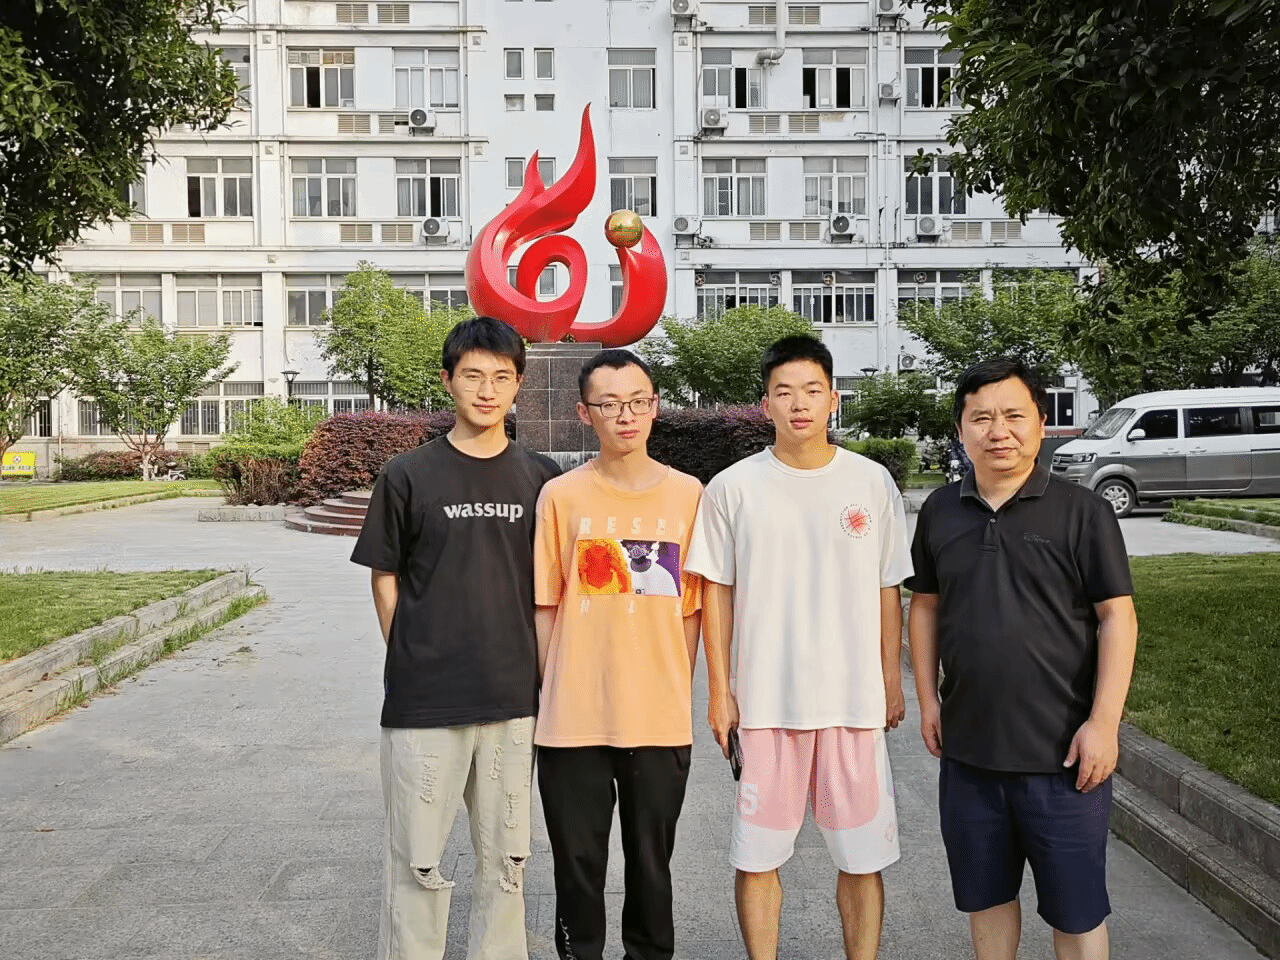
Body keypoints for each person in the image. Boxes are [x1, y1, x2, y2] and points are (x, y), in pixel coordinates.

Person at [685, 335, 913, 960]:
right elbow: (717, 593)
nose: (799, 404)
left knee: (862, 860)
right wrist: (720, 693)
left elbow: (888, 588)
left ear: (834, 399)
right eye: (783, 393)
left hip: (851, 705)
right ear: (765, 405)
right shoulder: (733, 487)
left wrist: (891, 682)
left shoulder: (870, 482)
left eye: (812, 390)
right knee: (757, 858)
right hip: (767, 706)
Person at [906, 358, 1139, 960]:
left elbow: (1117, 617)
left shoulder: (1082, 511)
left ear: (1040, 422)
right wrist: (927, 700)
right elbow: (925, 606)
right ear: (961, 430)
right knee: (986, 902)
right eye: (981, 418)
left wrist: (1104, 723)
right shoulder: (940, 510)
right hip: (970, 757)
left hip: (1064, 758)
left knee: (1077, 911)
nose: (998, 431)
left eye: (1013, 415)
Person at [350, 316, 560, 960]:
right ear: (448, 381)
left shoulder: (542, 476)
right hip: (426, 701)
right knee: (416, 859)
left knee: (507, 860)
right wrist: (411, 654)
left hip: (512, 697)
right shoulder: (407, 474)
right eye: (472, 375)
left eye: (501, 376)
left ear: (519, 384)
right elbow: (384, 576)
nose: (486, 390)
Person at [533, 348, 704, 960]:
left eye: (637, 402)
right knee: (577, 867)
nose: (625, 415)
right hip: (573, 720)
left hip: (658, 718)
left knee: (652, 865)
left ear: (655, 406)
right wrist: (556, 689)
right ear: (585, 413)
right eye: (608, 405)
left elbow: (692, 609)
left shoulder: (689, 496)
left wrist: (673, 685)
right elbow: (546, 604)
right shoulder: (560, 496)